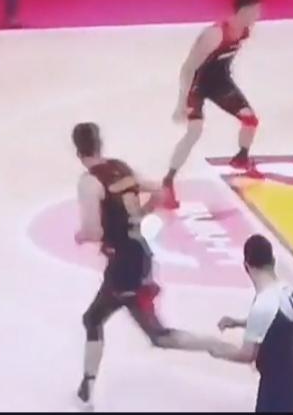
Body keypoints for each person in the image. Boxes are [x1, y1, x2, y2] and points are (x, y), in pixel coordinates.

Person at [72, 122, 212, 409]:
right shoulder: (120, 168)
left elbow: (94, 231)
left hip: (125, 266)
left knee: (155, 335)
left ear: (78, 151)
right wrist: (143, 212)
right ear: (100, 143)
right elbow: (158, 191)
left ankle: (221, 347)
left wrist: (81, 236)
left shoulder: (89, 182)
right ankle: (87, 384)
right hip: (137, 256)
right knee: (95, 318)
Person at [163, 0, 263, 208]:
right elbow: (188, 67)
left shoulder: (245, 30)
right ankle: (168, 181)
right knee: (194, 132)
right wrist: (181, 102)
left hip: (220, 84)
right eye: (256, 11)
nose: (259, 16)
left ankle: (241, 158)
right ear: (244, 11)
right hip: (198, 86)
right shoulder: (215, 34)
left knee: (250, 120)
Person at [208, 234, 293, 413]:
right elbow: (274, 323)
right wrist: (239, 322)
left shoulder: (263, 303)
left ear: (246, 266)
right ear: (273, 261)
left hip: (276, 391)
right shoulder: (285, 291)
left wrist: (218, 351)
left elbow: (247, 354)